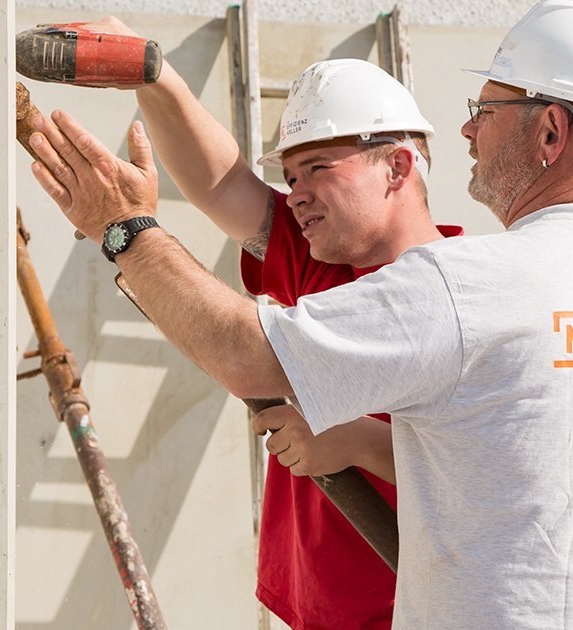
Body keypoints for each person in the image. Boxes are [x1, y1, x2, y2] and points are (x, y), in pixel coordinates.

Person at [29, 0, 573, 626]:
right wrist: (155, 75)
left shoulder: (468, 288)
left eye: (484, 112)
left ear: (549, 132)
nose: (465, 130)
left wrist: (122, 227)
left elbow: (247, 354)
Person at [57, 17, 462, 628]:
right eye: (291, 176)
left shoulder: (461, 295)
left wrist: (356, 441)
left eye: (319, 168)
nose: (296, 193)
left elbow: (492, 465)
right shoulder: (325, 261)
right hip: (308, 607)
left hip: (404, 614)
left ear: (399, 168)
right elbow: (222, 185)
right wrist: (154, 74)